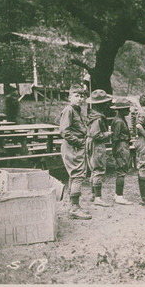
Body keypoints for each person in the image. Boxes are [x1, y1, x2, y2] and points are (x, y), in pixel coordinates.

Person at [59, 84, 91, 220]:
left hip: (76, 146)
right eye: (76, 96)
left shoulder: (77, 110)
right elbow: (64, 131)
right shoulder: (69, 110)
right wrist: (80, 142)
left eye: (82, 96)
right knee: (78, 175)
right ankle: (74, 208)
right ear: (69, 97)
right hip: (73, 146)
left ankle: (73, 204)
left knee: (75, 175)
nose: (80, 98)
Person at [86, 89, 112, 207]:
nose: (108, 105)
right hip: (96, 144)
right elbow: (95, 134)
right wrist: (107, 134)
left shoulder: (91, 114)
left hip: (90, 143)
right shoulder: (98, 118)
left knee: (93, 168)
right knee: (99, 169)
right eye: (106, 103)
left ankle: (93, 194)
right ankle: (97, 197)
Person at [110, 97, 133, 205]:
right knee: (121, 171)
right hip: (121, 145)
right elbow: (115, 138)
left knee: (121, 170)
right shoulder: (119, 121)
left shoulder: (120, 119)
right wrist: (115, 151)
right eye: (126, 109)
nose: (128, 111)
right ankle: (119, 196)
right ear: (121, 110)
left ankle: (117, 194)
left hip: (123, 144)